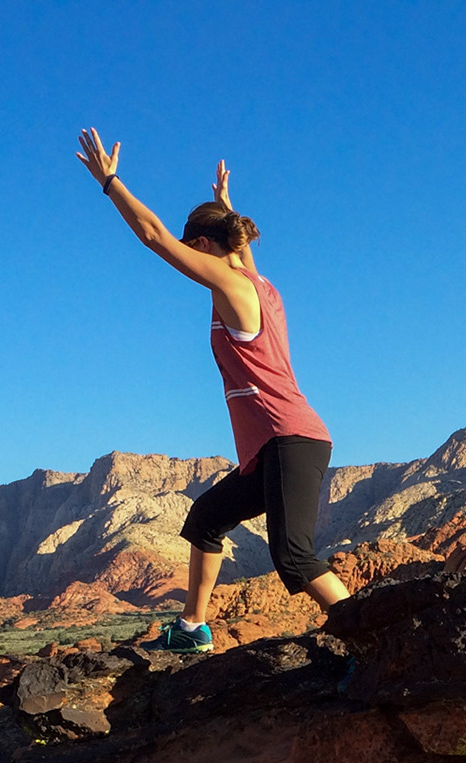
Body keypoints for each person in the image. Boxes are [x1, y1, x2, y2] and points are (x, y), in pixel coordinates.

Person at [77, 128, 349, 654]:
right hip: (272, 447)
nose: (190, 257)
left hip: (290, 438)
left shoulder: (232, 285)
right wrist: (227, 205)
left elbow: (155, 236)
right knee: (205, 518)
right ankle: (192, 629)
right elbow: (239, 249)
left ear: (204, 247)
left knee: (293, 556)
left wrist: (111, 182)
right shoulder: (257, 282)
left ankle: (369, 631)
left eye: (194, 248)